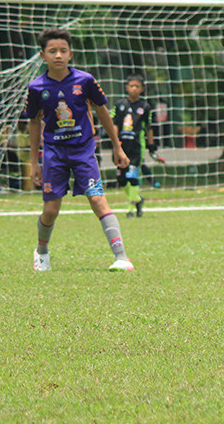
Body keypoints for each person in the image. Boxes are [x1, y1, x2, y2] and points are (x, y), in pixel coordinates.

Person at [22, 28, 134, 272]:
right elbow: (33, 123)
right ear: (43, 55)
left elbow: (102, 111)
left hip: (83, 151)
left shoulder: (85, 81)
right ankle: (41, 252)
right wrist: (34, 162)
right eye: (53, 51)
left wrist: (117, 147)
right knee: (51, 210)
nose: (58, 55)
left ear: (70, 54)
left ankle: (122, 257)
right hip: (53, 154)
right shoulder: (36, 87)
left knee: (98, 200)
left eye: (63, 51)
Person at [111, 73, 161, 217]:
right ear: (127, 87)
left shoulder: (145, 107)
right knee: (121, 179)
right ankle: (138, 199)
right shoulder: (120, 105)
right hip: (121, 146)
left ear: (142, 89)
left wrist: (151, 147)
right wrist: (115, 143)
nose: (133, 89)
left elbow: (149, 128)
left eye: (137, 86)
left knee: (133, 176)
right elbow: (113, 124)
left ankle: (130, 209)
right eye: (131, 86)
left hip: (137, 146)